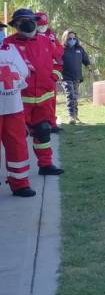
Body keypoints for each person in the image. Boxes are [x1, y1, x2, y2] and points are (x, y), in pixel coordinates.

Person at [8, 9, 64, 176]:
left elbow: (58, 62)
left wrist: (53, 77)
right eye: (21, 21)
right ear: (16, 25)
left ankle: (45, 165)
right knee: (17, 138)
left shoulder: (46, 41)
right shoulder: (8, 45)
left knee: (43, 131)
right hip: (19, 101)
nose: (26, 23)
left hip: (43, 98)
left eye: (29, 20)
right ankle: (18, 175)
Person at [0, 21, 37, 197]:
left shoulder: (12, 50)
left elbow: (24, 72)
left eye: (0, 30)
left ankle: (20, 183)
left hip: (13, 106)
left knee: (18, 145)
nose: (0, 33)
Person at [35, 11, 63, 133]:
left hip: (50, 73)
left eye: (44, 24)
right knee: (36, 101)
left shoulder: (51, 34)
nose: (43, 27)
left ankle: (52, 123)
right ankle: (36, 124)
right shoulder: (30, 35)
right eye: (40, 24)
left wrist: (55, 73)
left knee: (51, 99)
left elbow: (59, 49)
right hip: (35, 74)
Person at [60, 30, 91, 124]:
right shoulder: (61, 49)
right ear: (65, 39)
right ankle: (71, 116)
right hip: (65, 77)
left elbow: (86, 61)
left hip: (77, 77)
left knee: (75, 97)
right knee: (70, 96)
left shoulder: (80, 49)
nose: (72, 40)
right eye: (70, 38)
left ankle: (75, 115)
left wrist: (90, 70)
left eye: (74, 38)